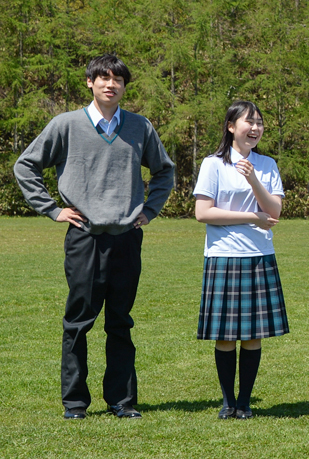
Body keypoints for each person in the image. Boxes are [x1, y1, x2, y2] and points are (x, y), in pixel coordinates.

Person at [13, 54, 175, 420]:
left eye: (118, 79)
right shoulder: (66, 124)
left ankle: (122, 401)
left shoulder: (140, 127)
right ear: (90, 82)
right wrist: (52, 209)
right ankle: (75, 403)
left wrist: (149, 210)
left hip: (126, 237)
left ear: (124, 86)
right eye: (103, 78)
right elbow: (25, 165)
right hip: (84, 237)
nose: (110, 84)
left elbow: (164, 171)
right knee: (78, 323)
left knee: (120, 322)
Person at [193, 100, 289, 420]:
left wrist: (253, 179)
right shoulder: (213, 164)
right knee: (224, 335)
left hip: (259, 255)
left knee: (252, 334)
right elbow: (203, 213)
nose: (255, 128)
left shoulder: (267, 164)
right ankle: (227, 401)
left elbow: (274, 212)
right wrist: (251, 216)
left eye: (259, 122)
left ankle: (245, 402)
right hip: (223, 255)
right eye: (249, 122)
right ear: (231, 127)